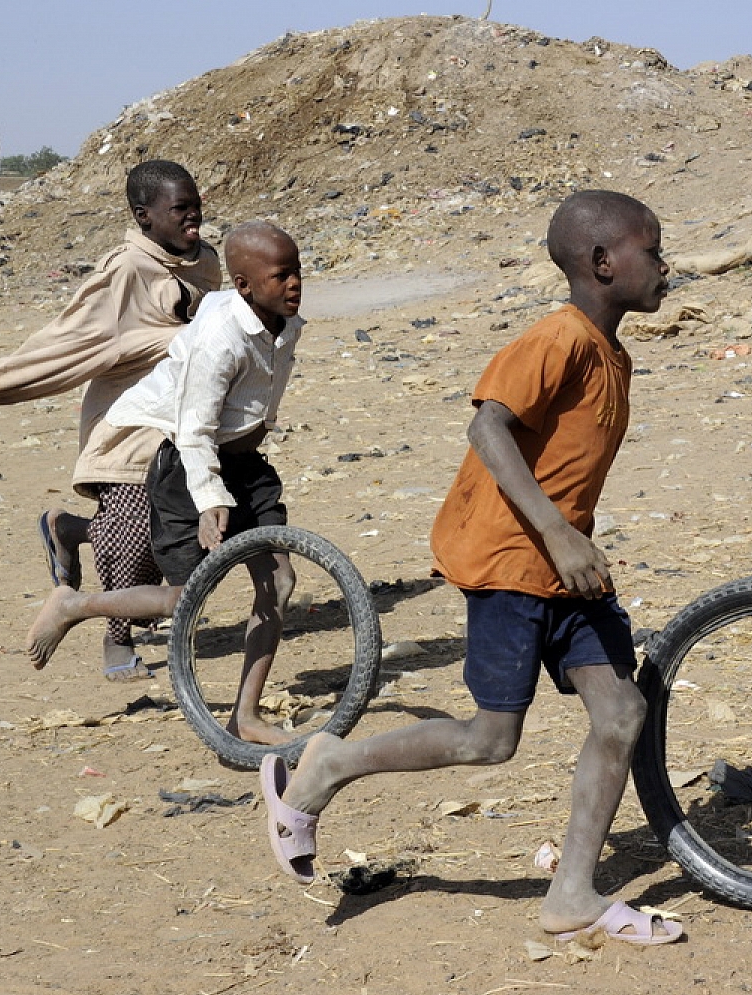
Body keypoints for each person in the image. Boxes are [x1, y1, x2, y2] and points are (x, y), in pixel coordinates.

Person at [258, 190, 682, 946]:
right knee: (490, 740)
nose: (666, 265)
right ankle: (327, 767)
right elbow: (488, 427)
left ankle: (572, 895)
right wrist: (557, 534)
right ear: (601, 262)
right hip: (512, 560)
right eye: (652, 251)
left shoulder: (612, 352)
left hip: (565, 567)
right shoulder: (560, 337)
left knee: (621, 714)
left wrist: (569, 542)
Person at [25, 220, 305, 746]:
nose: (294, 285)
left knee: (280, 581)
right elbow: (195, 429)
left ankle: (245, 714)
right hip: (187, 467)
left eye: (298, 273)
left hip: (246, 464)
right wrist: (210, 499)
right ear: (244, 286)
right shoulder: (219, 340)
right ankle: (74, 605)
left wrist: (237, 479)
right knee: (183, 598)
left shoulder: (286, 322)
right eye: (281, 276)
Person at [0, 160, 219, 680]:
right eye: (180, 209)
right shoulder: (126, 270)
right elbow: (71, 336)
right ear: (143, 216)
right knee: (136, 534)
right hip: (128, 421)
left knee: (167, 531)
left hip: (182, 420)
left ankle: (67, 529)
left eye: (196, 205)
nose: (194, 218)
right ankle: (116, 642)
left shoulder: (205, 262)